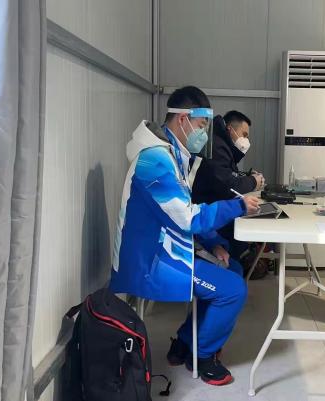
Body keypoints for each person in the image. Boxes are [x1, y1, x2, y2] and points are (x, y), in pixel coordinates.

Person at [109, 86, 260, 386]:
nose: (203, 134)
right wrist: (239, 205)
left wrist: (214, 244)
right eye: (201, 126)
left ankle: (184, 342)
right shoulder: (155, 160)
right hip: (150, 260)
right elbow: (189, 217)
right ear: (183, 119)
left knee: (232, 267)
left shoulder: (173, 154)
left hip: (167, 246)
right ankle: (202, 356)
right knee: (233, 289)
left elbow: (182, 212)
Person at [192, 110, 265, 269]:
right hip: (208, 214)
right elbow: (228, 186)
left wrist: (247, 176)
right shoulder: (217, 146)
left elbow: (227, 173)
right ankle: (236, 262)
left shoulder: (221, 144)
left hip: (211, 210)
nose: (246, 140)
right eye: (244, 135)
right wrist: (253, 181)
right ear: (230, 129)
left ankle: (239, 260)